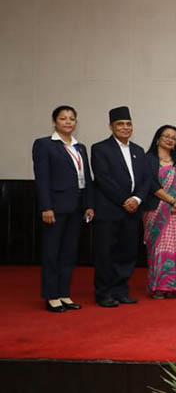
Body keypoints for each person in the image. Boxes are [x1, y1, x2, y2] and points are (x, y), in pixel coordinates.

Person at [32, 105, 94, 312]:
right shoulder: (44, 145)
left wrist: (89, 204)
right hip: (55, 207)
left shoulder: (80, 147)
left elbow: (86, 178)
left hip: (77, 206)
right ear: (54, 122)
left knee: (69, 252)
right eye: (63, 118)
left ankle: (64, 294)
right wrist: (46, 207)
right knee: (52, 252)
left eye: (71, 118)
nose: (68, 122)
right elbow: (42, 178)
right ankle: (51, 296)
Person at [91, 106, 151, 308]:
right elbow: (103, 178)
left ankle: (121, 291)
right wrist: (125, 200)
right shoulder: (100, 149)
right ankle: (104, 293)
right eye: (120, 124)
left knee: (127, 253)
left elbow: (146, 179)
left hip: (133, 212)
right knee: (105, 253)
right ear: (111, 126)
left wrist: (137, 199)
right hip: (110, 210)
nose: (125, 127)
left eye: (128, 124)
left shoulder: (138, 151)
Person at [141, 125, 176, 299]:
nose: (170, 140)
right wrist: (171, 200)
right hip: (157, 210)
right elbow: (151, 184)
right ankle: (159, 286)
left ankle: (175, 286)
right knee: (159, 247)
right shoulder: (148, 159)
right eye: (167, 136)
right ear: (158, 138)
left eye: (174, 138)